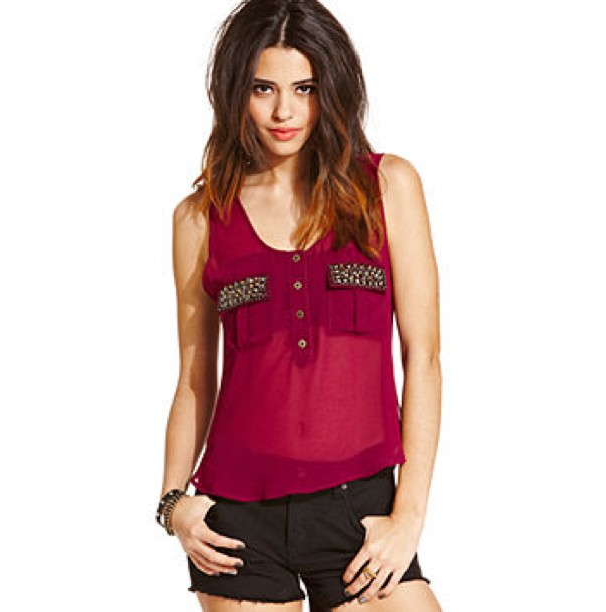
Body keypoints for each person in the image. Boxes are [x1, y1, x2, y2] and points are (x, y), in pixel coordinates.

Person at [156, 1, 442, 610]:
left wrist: (408, 516)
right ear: (235, 92)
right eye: (263, 88)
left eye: (304, 89)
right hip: (237, 523)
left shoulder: (387, 186)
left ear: (331, 90)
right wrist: (173, 503)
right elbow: (194, 381)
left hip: (361, 512)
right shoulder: (200, 219)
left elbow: (423, 357)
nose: (284, 111)